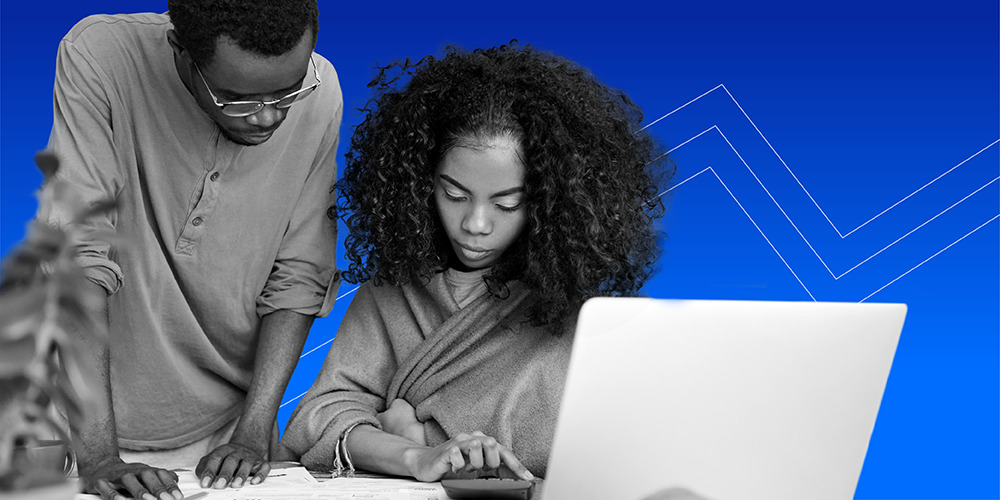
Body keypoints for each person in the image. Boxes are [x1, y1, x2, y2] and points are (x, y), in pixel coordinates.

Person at [280, 42, 669, 481]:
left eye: (507, 203)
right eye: (455, 195)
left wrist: (418, 432)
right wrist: (410, 455)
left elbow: (597, 442)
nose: (476, 224)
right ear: (421, 184)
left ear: (548, 202)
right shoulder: (395, 289)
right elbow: (317, 417)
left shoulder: (576, 307)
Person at [38, 1, 342, 498]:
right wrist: (97, 456)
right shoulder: (99, 55)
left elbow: (300, 273)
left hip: (226, 436)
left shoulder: (323, 90)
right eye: (236, 98)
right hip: (76, 425)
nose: (268, 116)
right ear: (181, 49)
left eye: (288, 91)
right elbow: (78, 254)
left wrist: (252, 432)